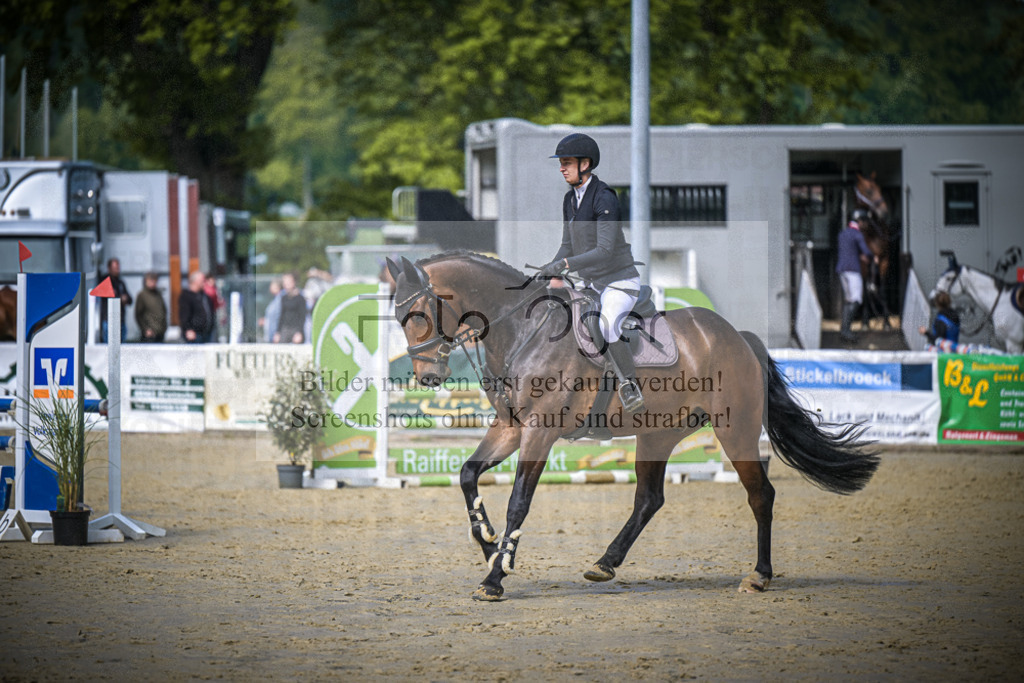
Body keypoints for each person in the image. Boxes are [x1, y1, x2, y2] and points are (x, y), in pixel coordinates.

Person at [537, 132, 644, 413]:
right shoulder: (569, 200)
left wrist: (566, 265)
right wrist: (549, 268)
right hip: (593, 284)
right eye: (561, 162)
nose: (562, 167)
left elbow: (605, 250)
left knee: (607, 325)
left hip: (620, 281)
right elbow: (566, 245)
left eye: (567, 162)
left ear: (586, 164)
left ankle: (629, 384)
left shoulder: (604, 197)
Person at [836, 209, 874, 343]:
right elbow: (866, 251)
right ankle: (846, 330)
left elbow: (848, 250)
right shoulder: (857, 234)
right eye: (864, 222)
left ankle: (844, 330)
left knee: (849, 300)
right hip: (853, 271)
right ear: (860, 222)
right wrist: (870, 256)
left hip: (841, 270)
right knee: (857, 299)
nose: (865, 225)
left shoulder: (843, 234)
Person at [99, 257, 132, 342]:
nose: (117, 270)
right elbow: (109, 295)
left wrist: (125, 298)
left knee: (121, 347)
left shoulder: (120, 282)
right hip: (108, 320)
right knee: (109, 346)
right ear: (109, 268)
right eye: (115, 268)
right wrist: (121, 298)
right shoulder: (104, 281)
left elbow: (130, 299)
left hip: (121, 320)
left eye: (118, 268)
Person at [178, 271, 212, 343]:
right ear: (195, 282)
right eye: (202, 281)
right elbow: (184, 316)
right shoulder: (186, 296)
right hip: (194, 335)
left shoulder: (204, 296)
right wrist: (188, 329)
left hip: (206, 334)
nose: (205, 283)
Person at [134, 272, 167, 343]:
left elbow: (163, 310)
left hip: (160, 331)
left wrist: (164, 327)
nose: (153, 283)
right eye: (150, 280)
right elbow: (138, 314)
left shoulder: (158, 294)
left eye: (154, 280)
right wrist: (145, 329)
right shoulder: (142, 295)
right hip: (150, 333)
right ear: (145, 281)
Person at [274, 273, 307, 344]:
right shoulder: (283, 298)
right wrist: (278, 332)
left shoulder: (300, 298)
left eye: (288, 282)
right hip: (285, 329)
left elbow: (302, 317)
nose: (286, 284)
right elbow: (282, 316)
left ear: (293, 282)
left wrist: (299, 332)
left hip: (296, 329)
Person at [259, 279, 283, 343]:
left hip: (275, 333)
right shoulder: (275, 299)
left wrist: (277, 333)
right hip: (270, 332)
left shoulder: (280, 300)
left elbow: (279, 316)